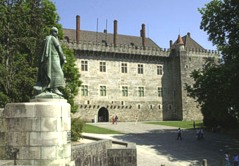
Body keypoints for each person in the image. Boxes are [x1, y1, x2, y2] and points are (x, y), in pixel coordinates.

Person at [35, 27, 66, 96]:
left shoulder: (45, 39)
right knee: (59, 73)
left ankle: (49, 87)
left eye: (57, 32)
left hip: (47, 59)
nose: (57, 33)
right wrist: (63, 57)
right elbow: (59, 49)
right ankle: (55, 88)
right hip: (54, 58)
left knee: (48, 73)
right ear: (52, 32)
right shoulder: (53, 39)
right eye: (55, 31)